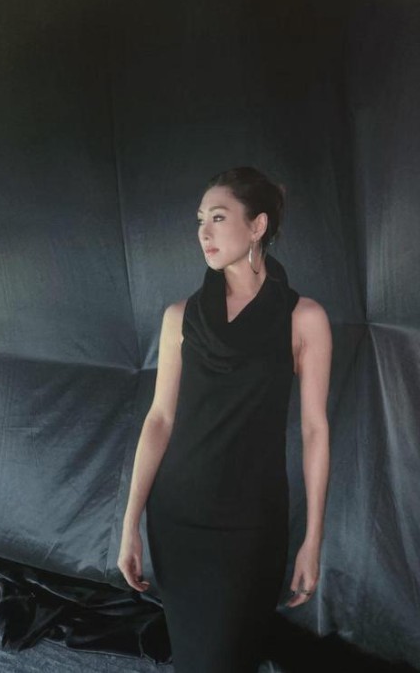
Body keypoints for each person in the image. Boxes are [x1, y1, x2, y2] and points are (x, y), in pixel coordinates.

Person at [117, 167, 332, 673]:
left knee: (230, 658)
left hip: (250, 523)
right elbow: (159, 420)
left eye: (217, 217)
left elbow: (315, 430)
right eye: (199, 220)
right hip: (178, 516)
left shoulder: (304, 319)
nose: (203, 232)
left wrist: (313, 538)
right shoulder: (180, 317)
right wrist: (130, 523)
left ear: (257, 226)